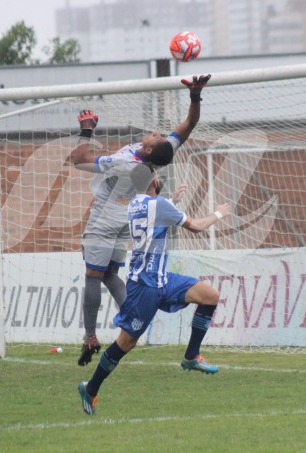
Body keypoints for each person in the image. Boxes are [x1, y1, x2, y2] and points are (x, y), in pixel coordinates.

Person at [69, 74, 211, 366]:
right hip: (127, 219)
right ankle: (135, 322)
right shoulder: (159, 154)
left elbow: (79, 159)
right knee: (110, 274)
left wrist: (87, 129)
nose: (158, 134)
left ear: (148, 150)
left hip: (105, 219)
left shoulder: (126, 162)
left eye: (157, 137)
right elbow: (190, 124)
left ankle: (90, 336)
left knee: (93, 275)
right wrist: (195, 96)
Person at [77, 164, 231, 415]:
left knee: (210, 296)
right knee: (126, 343)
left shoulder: (136, 204)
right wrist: (219, 213)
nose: (160, 179)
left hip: (162, 279)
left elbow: (153, 214)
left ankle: (191, 357)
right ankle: (91, 388)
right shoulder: (158, 205)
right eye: (157, 176)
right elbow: (196, 226)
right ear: (153, 182)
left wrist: (172, 200)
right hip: (144, 286)